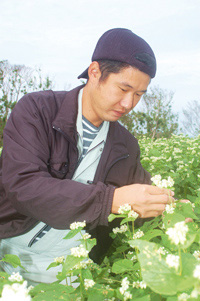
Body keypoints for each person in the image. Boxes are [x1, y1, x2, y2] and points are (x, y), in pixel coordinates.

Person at [0, 28, 174, 285]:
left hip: (66, 270)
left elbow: (145, 196)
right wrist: (111, 201)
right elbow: (24, 186)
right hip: (8, 249)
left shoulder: (126, 145)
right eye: (123, 88)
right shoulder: (37, 110)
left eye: (138, 95)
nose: (129, 104)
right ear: (95, 73)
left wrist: (175, 211)